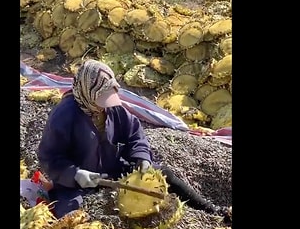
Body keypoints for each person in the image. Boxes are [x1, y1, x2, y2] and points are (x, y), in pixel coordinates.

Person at [37, 59, 223, 219]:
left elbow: (135, 135)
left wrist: (142, 158)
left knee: (165, 174)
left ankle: (211, 209)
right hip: (78, 181)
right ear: (88, 91)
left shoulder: (114, 109)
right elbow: (49, 158)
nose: (104, 106)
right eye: (101, 99)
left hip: (115, 168)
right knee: (69, 212)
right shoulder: (64, 115)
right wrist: (76, 174)